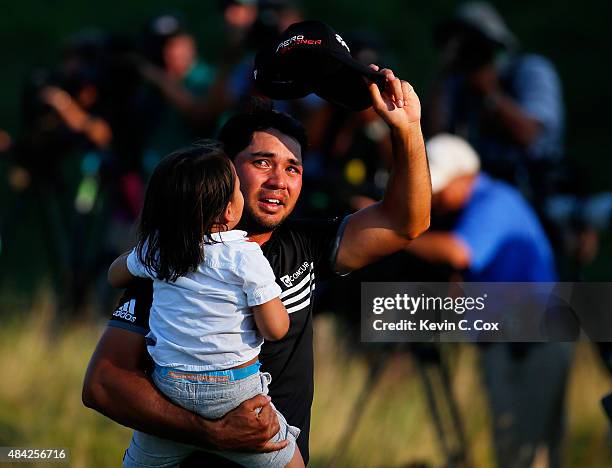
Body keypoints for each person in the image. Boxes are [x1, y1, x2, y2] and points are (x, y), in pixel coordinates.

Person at [83, 66, 431, 465]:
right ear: (224, 168)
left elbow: (407, 223)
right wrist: (212, 432)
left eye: (293, 168)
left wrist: (407, 129)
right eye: (263, 162)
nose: (279, 180)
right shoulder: (179, 255)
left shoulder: (306, 243)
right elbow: (103, 384)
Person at [107, 144, 303, 466]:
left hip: (168, 387)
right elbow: (276, 328)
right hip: (235, 393)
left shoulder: (158, 249)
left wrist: (144, 250)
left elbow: (115, 275)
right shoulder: (244, 255)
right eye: (238, 189)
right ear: (229, 210)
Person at [405, 134, 572, 468]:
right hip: (524, 339)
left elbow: (459, 252)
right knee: (530, 450)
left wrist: (396, 234)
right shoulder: (488, 202)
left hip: (527, 345)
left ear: (465, 175)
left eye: (439, 190)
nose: (435, 200)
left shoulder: (492, 201)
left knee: (522, 450)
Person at [425, 2, 564, 204]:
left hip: (535, 189)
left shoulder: (530, 71)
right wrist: (444, 73)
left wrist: (490, 93)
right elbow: (435, 139)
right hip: (476, 192)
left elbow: (529, 136)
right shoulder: (457, 84)